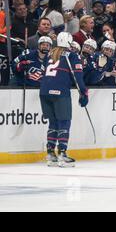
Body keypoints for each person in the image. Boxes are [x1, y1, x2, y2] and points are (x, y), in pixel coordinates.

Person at [40, 32, 89, 168]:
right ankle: (62, 153)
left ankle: (50, 154)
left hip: (44, 92)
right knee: (64, 122)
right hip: (60, 92)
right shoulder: (72, 56)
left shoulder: (49, 54)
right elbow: (78, 77)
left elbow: (43, 72)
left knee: (53, 122)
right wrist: (83, 93)